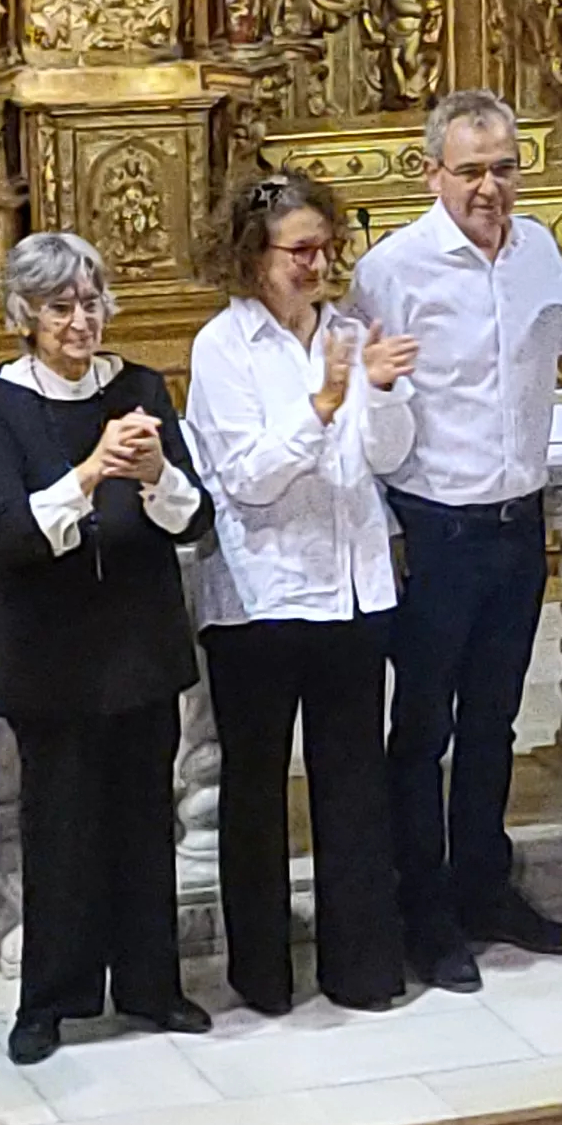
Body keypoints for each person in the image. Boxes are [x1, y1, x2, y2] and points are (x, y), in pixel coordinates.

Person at [349, 89, 562, 990]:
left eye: (505, 168)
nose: (491, 187)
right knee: (422, 728)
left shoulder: (537, 249)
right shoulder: (393, 269)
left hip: (517, 524)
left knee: (493, 720)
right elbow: (373, 405)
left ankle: (485, 886)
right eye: (472, 170)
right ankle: (424, 907)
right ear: (431, 172)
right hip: (434, 528)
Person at [0, 231, 214, 1065]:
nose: (81, 321)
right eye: (61, 307)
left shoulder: (140, 386)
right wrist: (88, 472)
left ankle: (153, 987)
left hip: (139, 640)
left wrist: (152, 477)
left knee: (147, 820)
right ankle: (51, 1000)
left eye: (91, 302)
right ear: (26, 317)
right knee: (60, 828)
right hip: (52, 650)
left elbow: (194, 519)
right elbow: (4, 533)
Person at [186, 172, 422, 1018]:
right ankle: (262, 975)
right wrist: (321, 404)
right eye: (300, 251)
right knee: (254, 788)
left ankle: (362, 967)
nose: (317, 264)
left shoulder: (352, 332)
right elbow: (246, 478)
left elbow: (388, 457)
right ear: (254, 257)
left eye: (326, 248)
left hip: (353, 588)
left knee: (354, 782)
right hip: (262, 597)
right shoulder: (223, 346)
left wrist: (382, 391)